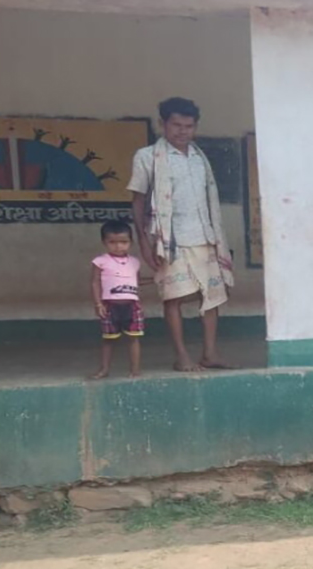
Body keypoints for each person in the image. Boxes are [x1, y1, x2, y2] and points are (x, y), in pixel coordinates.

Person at [129, 96, 235, 372]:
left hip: (205, 237)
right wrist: (144, 242)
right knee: (173, 297)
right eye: (176, 125)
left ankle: (210, 353)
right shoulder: (147, 157)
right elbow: (138, 201)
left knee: (212, 296)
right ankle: (182, 356)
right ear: (162, 124)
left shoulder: (200, 158)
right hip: (170, 240)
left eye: (189, 126)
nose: (182, 131)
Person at [90, 220, 144, 380]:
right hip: (110, 305)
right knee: (108, 340)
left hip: (132, 305)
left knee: (134, 338)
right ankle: (104, 369)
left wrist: (157, 279)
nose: (118, 246)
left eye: (123, 242)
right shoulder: (100, 261)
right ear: (104, 242)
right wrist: (98, 303)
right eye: (112, 242)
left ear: (131, 242)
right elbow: (95, 282)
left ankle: (135, 370)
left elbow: (137, 282)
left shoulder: (135, 262)